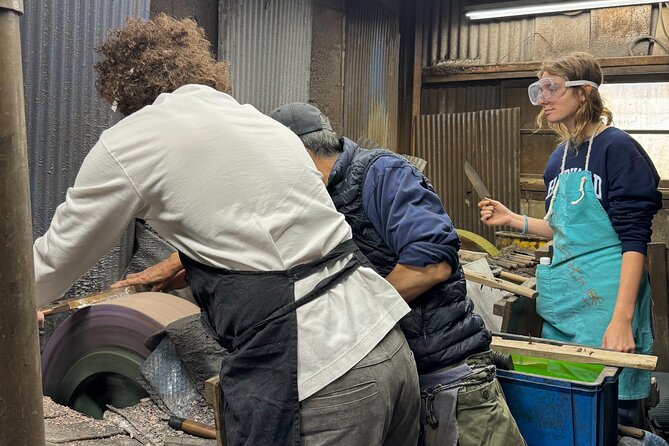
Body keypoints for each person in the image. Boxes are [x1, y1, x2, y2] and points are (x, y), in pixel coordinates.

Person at [33, 15, 421, 445]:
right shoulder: (261, 124)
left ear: (121, 88)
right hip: (390, 350)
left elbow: (50, 267)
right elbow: (266, 234)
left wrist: (23, 301)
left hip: (320, 379)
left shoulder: (130, 140)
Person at [119, 102, 526, 446]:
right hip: (390, 382)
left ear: (289, 153)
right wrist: (182, 262)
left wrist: (356, 320)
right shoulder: (310, 196)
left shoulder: (382, 174)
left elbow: (431, 264)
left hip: (447, 377)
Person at [479, 52, 662, 427]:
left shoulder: (618, 150)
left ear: (583, 93)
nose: (542, 98)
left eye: (552, 88)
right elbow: (565, 229)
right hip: (566, 298)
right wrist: (513, 219)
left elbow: (633, 240)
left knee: (611, 408)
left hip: (608, 299)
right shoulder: (558, 158)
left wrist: (622, 319)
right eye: (538, 89)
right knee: (568, 402)